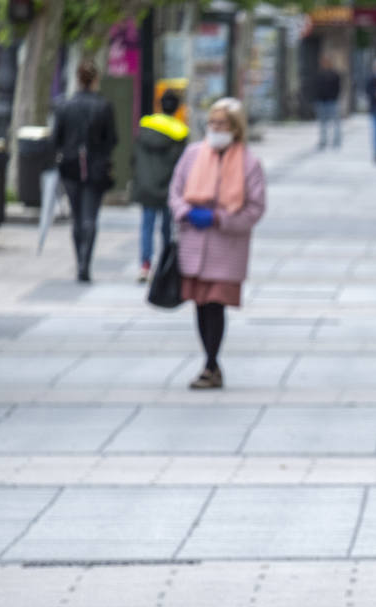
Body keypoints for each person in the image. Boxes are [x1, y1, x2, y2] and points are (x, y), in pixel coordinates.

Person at [168, 98, 266, 390]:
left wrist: (220, 219)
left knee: (216, 304)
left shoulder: (249, 163)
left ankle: (210, 364)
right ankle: (210, 363)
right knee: (201, 305)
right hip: (194, 244)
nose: (215, 128)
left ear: (235, 128)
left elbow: (255, 208)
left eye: (221, 124)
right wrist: (187, 213)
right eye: (212, 123)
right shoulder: (192, 155)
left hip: (226, 245)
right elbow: (175, 192)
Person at [51, 60, 118, 283]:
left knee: (77, 217)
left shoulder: (65, 106)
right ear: (95, 79)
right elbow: (113, 139)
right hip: (96, 167)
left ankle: (78, 258)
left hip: (70, 165)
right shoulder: (104, 106)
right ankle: (84, 262)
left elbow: (55, 139)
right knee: (90, 216)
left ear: (77, 79)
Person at [131, 90, 188, 283]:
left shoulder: (145, 125)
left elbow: (135, 157)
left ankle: (145, 265)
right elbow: (181, 165)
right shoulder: (180, 131)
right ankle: (164, 264)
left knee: (146, 225)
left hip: (146, 186)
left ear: (159, 104)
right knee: (167, 228)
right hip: (167, 188)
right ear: (177, 107)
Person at [313, 55, 342, 150]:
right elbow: (316, 88)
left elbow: (338, 88)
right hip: (321, 100)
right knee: (322, 123)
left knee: (335, 122)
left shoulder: (335, 75)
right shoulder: (319, 74)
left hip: (332, 100)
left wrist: (334, 97)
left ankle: (336, 140)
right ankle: (323, 141)